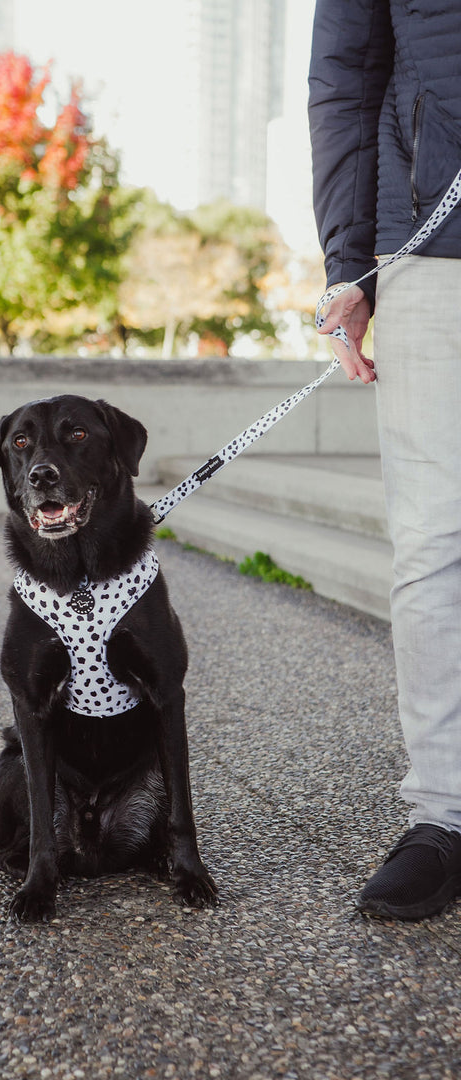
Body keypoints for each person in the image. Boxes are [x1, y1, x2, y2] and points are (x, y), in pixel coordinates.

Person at [309, 0, 461, 920]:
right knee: (435, 537)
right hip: (432, 241)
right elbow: (345, 79)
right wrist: (347, 263)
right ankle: (444, 816)